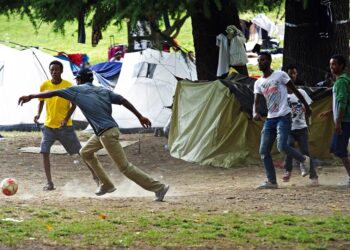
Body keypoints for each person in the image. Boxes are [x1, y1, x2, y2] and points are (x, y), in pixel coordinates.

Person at [19, 68, 170, 201]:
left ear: (79, 80)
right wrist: (140, 116)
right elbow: (123, 100)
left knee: (125, 167)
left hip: (106, 134)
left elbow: (53, 92)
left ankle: (158, 188)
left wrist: (31, 96)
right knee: (85, 152)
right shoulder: (103, 90)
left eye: (77, 79)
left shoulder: (76, 90)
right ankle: (107, 184)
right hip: (106, 131)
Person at [35, 60, 98, 191]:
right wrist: (38, 114)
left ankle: (96, 176)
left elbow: (73, 105)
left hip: (65, 128)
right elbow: (41, 101)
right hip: (48, 126)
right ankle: (49, 183)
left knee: (81, 152)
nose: (54, 72)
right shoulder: (44, 85)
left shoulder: (68, 86)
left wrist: (66, 119)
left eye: (56, 70)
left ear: (61, 71)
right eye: (52, 70)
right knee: (44, 151)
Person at [253, 52, 312, 189]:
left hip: (284, 116)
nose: (259, 63)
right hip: (270, 119)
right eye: (258, 61)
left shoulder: (280, 75)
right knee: (263, 151)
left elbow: (295, 91)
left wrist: (306, 106)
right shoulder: (258, 82)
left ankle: (304, 160)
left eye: (262, 60)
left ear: (269, 61)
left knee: (281, 146)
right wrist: (255, 112)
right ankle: (272, 181)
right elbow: (255, 102)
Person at [320, 55, 350, 186]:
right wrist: (331, 111)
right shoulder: (343, 80)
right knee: (338, 148)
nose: (332, 67)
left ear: (342, 65)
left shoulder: (341, 81)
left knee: (339, 149)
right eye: (331, 64)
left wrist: (338, 122)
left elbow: (343, 102)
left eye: (335, 64)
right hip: (344, 119)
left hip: (345, 121)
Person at [282, 85, 318, 185]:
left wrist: (307, 118)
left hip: (301, 127)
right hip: (288, 128)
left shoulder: (301, 92)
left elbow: (309, 108)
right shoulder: (282, 95)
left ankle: (313, 176)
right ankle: (288, 170)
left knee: (305, 151)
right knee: (289, 145)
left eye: (293, 74)